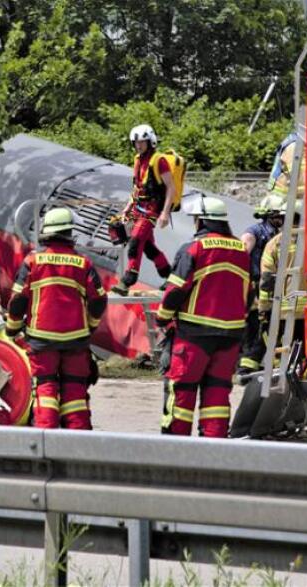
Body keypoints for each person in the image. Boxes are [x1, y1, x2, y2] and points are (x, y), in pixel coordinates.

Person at [156, 196, 251, 437]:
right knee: (217, 393)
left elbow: (175, 289)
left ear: (201, 221)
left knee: (182, 390)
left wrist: (162, 318)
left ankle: (177, 447)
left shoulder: (194, 248)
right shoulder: (242, 249)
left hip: (194, 334)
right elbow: (248, 292)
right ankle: (215, 446)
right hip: (231, 335)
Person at [6, 208, 108, 430]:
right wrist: (90, 327)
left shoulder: (32, 261)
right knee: (75, 392)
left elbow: (17, 301)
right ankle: (77, 441)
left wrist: (11, 329)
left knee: (45, 388)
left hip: (41, 341)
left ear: (46, 231)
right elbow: (99, 301)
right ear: (69, 232)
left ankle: (46, 438)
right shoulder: (83, 263)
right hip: (76, 340)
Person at [110, 124, 177, 295]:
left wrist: (165, 213)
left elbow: (171, 188)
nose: (138, 145)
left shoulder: (159, 161)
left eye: (142, 142)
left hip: (152, 210)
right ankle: (170, 276)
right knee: (148, 247)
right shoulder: (137, 160)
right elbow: (137, 188)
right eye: (136, 143)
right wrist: (126, 208)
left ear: (150, 141)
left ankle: (127, 281)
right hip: (138, 208)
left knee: (135, 242)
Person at [236, 195, 286, 377]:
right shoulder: (253, 233)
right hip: (254, 285)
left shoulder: (278, 234)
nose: (281, 219)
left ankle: (258, 361)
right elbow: (240, 260)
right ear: (267, 215)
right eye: (277, 215)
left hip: (271, 285)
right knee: (255, 323)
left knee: (271, 322)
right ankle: (246, 364)